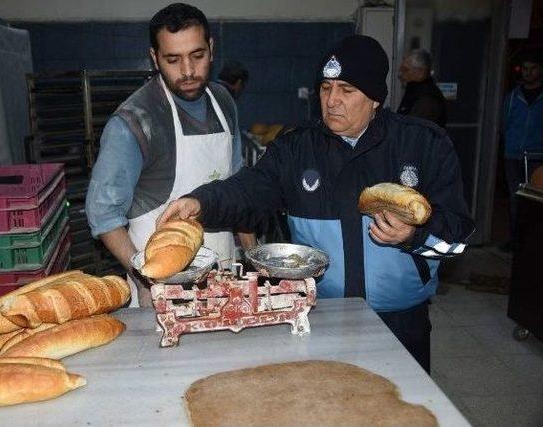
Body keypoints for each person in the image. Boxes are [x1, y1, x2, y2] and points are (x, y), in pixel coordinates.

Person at [158, 35, 475, 373]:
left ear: (375, 99)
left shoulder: (423, 144)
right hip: (319, 315)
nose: (332, 101)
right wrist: (201, 202)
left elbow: (458, 240)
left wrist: (413, 235)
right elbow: (251, 189)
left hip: (401, 322)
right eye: (326, 88)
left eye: (347, 90)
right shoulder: (297, 148)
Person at [85, 3, 255, 307]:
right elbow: (103, 215)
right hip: (165, 286)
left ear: (211, 49)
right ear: (154, 57)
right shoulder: (134, 122)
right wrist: (143, 278)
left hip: (224, 277)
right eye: (173, 59)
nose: (188, 71)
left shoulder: (224, 101)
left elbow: (239, 188)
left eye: (197, 56)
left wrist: (254, 257)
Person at [502, 51, 543, 250]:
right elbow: (504, 124)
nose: (528, 73)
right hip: (513, 155)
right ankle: (515, 239)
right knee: (515, 197)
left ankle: (532, 241)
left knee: (536, 200)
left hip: (537, 156)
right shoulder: (512, 97)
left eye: (533, 68)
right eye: (525, 69)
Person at [397, 49, 447, 128]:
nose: (400, 75)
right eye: (401, 69)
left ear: (420, 72)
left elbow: (412, 130)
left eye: (405, 70)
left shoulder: (427, 98)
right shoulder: (414, 91)